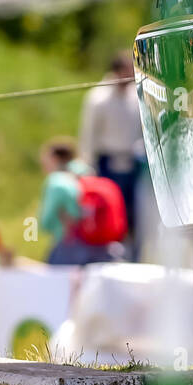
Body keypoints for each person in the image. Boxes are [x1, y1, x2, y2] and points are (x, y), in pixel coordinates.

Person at [78, 53, 144, 255]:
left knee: (133, 213)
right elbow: (88, 134)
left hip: (132, 161)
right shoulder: (99, 98)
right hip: (106, 161)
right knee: (109, 210)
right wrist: (87, 165)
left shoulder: (135, 95)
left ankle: (132, 253)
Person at [37, 138, 117, 265]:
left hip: (70, 246)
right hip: (103, 247)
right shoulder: (89, 173)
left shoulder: (57, 181)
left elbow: (45, 222)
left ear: (54, 158)